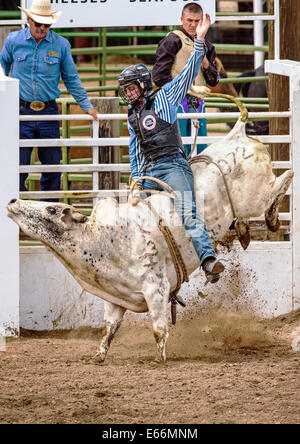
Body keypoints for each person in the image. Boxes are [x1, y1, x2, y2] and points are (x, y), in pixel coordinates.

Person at [118, 14, 224, 283]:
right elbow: (135, 150)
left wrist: (199, 40)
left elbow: (189, 71)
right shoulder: (132, 117)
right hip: (149, 172)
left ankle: (208, 260)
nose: (128, 95)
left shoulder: (164, 97)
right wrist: (136, 178)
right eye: (125, 91)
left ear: (143, 85)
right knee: (135, 217)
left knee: (188, 211)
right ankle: (140, 270)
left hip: (173, 165)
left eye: (131, 89)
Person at [0, 0, 98, 200]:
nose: (43, 28)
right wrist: (4, 94)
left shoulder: (61, 44)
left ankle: (48, 214)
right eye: (38, 24)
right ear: (29, 20)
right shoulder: (13, 40)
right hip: (19, 109)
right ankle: (20, 213)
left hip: (48, 112)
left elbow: (71, 78)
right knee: (17, 167)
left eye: (47, 25)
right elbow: (2, 65)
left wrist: (87, 107)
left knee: (52, 168)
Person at [152, 2, 219, 155]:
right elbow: (158, 76)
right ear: (182, 19)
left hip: (198, 103)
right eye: (189, 20)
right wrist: (187, 88)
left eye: (197, 21)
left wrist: (204, 61)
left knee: (200, 150)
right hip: (175, 103)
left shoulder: (206, 45)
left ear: (202, 21)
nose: (193, 24)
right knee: (177, 148)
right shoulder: (172, 40)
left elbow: (214, 80)